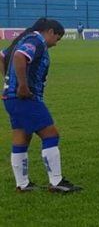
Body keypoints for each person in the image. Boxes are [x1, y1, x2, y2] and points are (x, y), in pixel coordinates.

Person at [4, 18, 82, 193]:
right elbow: (19, 56)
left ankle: (22, 184)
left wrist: (9, 81)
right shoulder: (36, 41)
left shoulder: (25, 39)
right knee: (51, 134)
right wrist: (22, 85)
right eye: (57, 38)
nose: (56, 43)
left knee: (21, 138)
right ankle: (56, 182)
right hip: (25, 98)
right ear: (50, 32)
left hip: (11, 98)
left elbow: (3, 57)